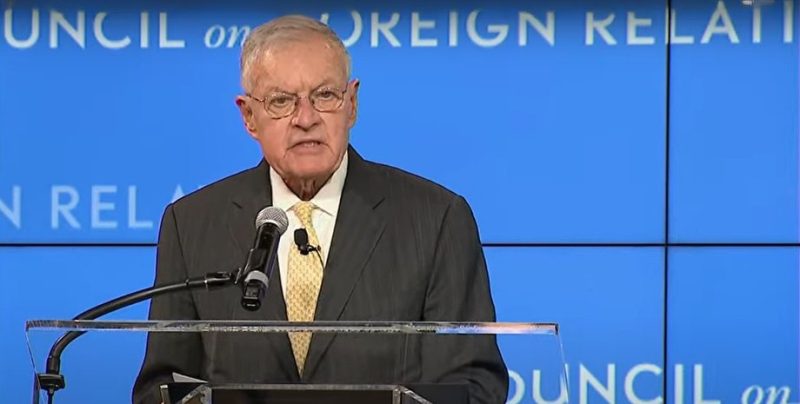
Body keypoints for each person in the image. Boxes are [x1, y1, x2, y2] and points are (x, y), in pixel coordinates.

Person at [132, 15, 508, 404]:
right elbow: (161, 389)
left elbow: (472, 385)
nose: (306, 119)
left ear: (352, 104)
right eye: (281, 101)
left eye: (325, 95)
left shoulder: (435, 219)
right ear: (249, 117)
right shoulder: (191, 224)